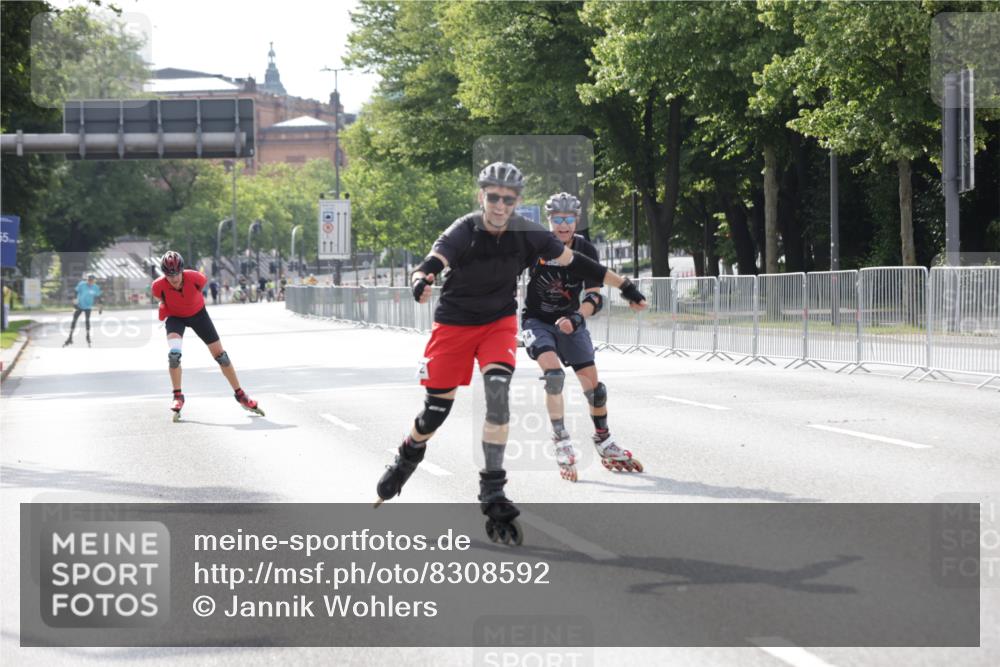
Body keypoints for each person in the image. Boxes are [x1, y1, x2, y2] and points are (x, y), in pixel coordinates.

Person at [372, 162, 646, 545]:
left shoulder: (528, 234)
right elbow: (434, 261)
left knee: (498, 398)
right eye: (493, 197)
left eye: (509, 199)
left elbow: (580, 264)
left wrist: (627, 286)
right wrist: (421, 279)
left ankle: (493, 491)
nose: (500, 205)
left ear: (517, 202)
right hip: (454, 323)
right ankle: (408, 455)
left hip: (497, 323)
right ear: (481, 195)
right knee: (435, 412)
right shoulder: (464, 229)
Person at [522, 193, 643, 482]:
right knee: (554, 376)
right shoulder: (536, 245)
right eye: (557, 220)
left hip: (571, 321)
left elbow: (594, 296)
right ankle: (561, 439)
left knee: (595, 389)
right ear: (549, 221)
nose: (563, 226)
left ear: (576, 221)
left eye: (569, 220)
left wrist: (577, 316)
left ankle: (603, 439)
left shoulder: (585, 248)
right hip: (537, 320)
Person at [151, 251, 264, 422]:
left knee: (222, 357)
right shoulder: (157, 286)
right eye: (169, 274)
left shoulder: (197, 278)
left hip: (199, 315)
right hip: (175, 318)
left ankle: (240, 395)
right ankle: (178, 396)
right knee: (174, 356)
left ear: (182, 270)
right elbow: (161, 298)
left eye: (176, 274)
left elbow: (198, 291)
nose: (173, 278)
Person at [63, 274, 102, 347]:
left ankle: (87, 336)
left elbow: (99, 298)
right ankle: (70, 337)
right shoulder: (82, 284)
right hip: (79, 305)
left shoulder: (96, 288)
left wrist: (100, 307)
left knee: (87, 321)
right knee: (74, 320)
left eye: (91, 280)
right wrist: (74, 302)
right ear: (87, 280)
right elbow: (75, 292)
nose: (90, 282)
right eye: (89, 280)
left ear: (94, 281)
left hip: (88, 306)